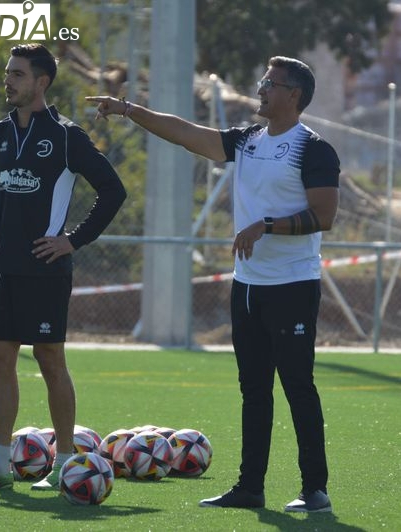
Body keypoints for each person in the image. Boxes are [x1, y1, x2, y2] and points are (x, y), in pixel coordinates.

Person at [87, 56, 339, 513]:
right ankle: (250, 488)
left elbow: (324, 216)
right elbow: (185, 133)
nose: (261, 88)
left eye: (271, 83)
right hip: (247, 286)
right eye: (263, 79)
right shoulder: (247, 141)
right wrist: (128, 110)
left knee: (298, 386)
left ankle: (314, 489)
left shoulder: (313, 149)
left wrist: (267, 226)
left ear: (294, 96)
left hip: (293, 286)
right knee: (253, 388)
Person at [0, 43, 126, 491]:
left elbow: (113, 190)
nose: (9, 80)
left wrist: (73, 240)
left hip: (46, 270)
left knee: (49, 359)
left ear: (41, 83)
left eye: (18, 74)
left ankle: (65, 464)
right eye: (8, 72)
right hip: (4, 268)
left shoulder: (66, 136)